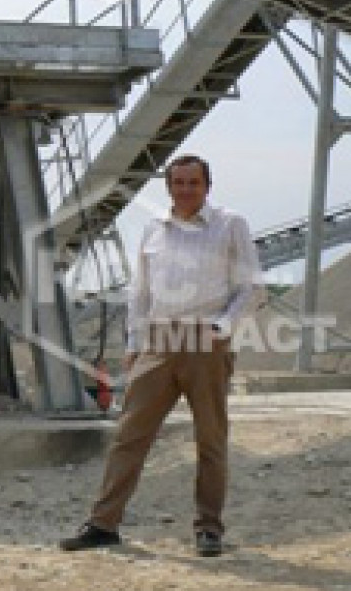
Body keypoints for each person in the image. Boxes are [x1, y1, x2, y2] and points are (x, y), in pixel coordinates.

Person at [60, 154, 262, 557]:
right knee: (128, 436)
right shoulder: (154, 231)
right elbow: (140, 295)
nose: (185, 190)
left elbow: (253, 288)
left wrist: (220, 328)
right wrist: (134, 346)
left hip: (205, 343)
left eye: (194, 182)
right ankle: (103, 524)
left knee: (210, 440)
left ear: (208, 186)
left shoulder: (230, 225)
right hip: (157, 343)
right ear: (168, 186)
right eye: (178, 182)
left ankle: (209, 529)